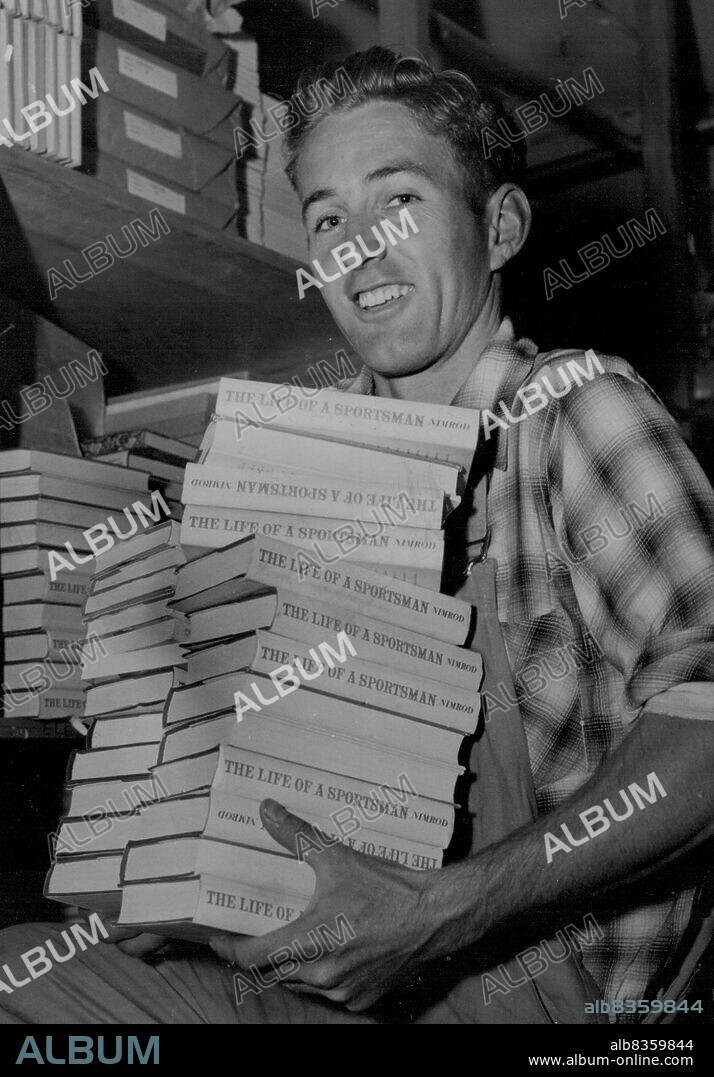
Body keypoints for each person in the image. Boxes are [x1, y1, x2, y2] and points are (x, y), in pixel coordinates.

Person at [1, 47, 712, 1026]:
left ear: (499, 227)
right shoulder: (298, 464)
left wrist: (447, 913)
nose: (358, 249)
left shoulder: (574, 410)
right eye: (329, 217)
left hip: (532, 1003)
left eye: (399, 202)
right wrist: (189, 880)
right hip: (315, 981)